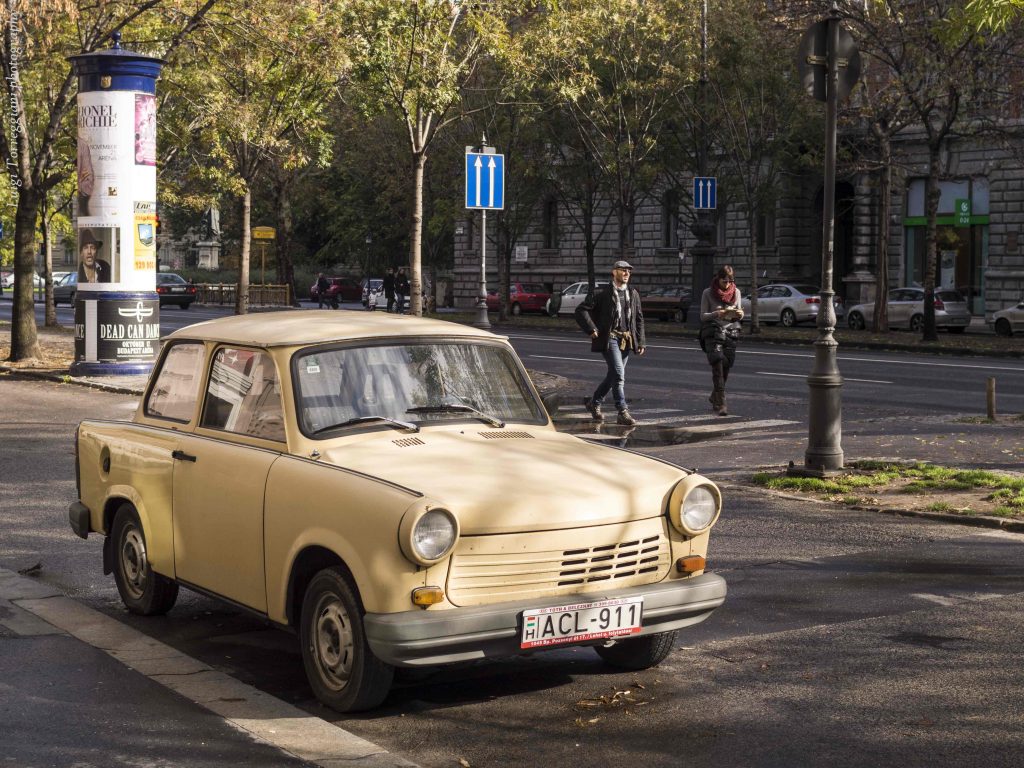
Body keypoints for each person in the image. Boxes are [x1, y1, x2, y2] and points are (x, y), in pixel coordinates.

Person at [575, 260, 646, 426]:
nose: (627, 273)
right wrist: (591, 329)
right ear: (614, 272)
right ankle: (622, 411)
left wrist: (641, 341)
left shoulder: (633, 293)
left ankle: (594, 402)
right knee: (619, 374)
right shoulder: (602, 293)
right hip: (610, 338)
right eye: (623, 270)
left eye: (629, 271)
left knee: (613, 375)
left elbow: (639, 318)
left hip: (626, 339)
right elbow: (581, 310)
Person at [699, 265, 744, 416]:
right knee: (717, 365)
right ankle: (722, 403)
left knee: (726, 367)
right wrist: (716, 313)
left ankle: (714, 396)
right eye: (725, 281)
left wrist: (739, 313)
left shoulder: (736, 292)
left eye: (730, 281)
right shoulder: (708, 292)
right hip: (713, 332)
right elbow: (703, 316)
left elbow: (740, 312)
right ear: (718, 278)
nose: (727, 284)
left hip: (731, 332)